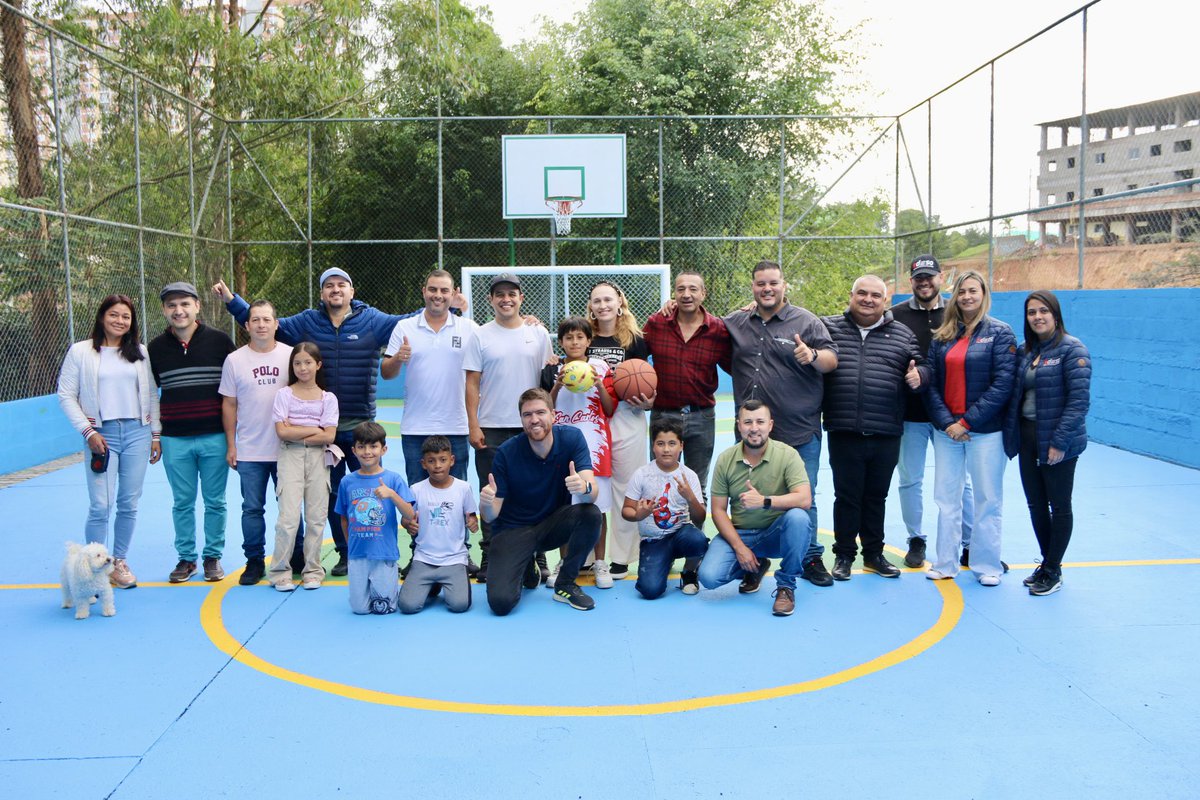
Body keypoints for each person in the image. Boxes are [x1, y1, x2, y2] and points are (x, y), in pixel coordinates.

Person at [214, 268, 429, 577]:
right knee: (332, 495)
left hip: (359, 424)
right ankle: (344, 552)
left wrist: (448, 306)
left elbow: (409, 320)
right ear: (322, 293)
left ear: (352, 291)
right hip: (322, 430)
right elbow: (264, 323)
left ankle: (376, 548)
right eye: (329, 285)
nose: (336, 289)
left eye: (342, 284)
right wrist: (233, 301)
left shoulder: (373, 321)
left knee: (370, 491)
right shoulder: (307, 322)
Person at [723, 260, 837, 588]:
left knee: (805, 496)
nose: (767, 289)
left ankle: (810, 556)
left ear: (784, 284)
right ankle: (754, 558)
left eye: (773, 283)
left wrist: (813, 357)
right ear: (753, 287)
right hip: (752, 434)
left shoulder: (807, 321)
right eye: (761, 284)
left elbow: (832, 359)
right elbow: (704, 324)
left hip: (798, 429)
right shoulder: (737, 321)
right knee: (748, 497)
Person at [821, 276, 928, 581]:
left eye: (875, 295)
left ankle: (873, 554)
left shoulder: (902, 334)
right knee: (847, 496)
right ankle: (843, 556)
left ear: (886, 301)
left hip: (886, 431)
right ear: (851, 295)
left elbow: (922, 367)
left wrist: (920, 375)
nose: (868, 299)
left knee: (875, 497)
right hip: (844, 429)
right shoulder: (828, 328)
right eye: (862, 293)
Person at [57, 294, 162, 590]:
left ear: (132, 322)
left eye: (126, 317)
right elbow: (66, 395)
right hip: (101, 435)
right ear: (102, 317)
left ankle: (118, 562)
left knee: (128, 502)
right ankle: (90, 567)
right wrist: (88, 432)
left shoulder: (139, 352)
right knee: (101, 505)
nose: (119, 321)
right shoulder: (81, 352)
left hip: (137, 434)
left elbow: (152, 394)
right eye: (114, 315)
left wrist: (155, 434)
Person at [382, 269, 479, 577]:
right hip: (415, 428)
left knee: (457, 495)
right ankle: (419, 554)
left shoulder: (468, 328)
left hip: (456, 425)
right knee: (417, 498)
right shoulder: (405, 327)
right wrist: (398, 357)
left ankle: (460, 554)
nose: (438, 295)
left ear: (453, 295)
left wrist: (534, 324)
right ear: (424, 291)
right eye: (433, 289)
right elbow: (386, 372)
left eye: (444, 291)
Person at [924, 270, 1017, 586]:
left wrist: (967, 422)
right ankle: (945, 563)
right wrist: (949, 423)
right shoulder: (942, 336)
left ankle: (987, 565)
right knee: (946, 499)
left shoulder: (1001, 334)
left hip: (986, 432)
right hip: (947, 432)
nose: (966, 297)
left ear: (984, 294)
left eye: (973, 291)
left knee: (987, 499)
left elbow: (1003, 384)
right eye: (961, 291)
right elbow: (931, 385)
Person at [478, 388, 602, 615]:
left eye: (540, 412)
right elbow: (490, 515)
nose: (534, 420)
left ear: (553, 415)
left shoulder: (572, 439)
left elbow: (592, 492)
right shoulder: (507, 453)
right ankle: (526, 565)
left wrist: (583, 488)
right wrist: (485, 503)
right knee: (501, 604)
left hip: (551, 526)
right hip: (513, 530)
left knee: (590, 513)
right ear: (521, 420)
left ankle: (565, 584)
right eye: (527, 415)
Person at [464, 273, 553, 583]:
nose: (506, 299)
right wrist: (474, 424)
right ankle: (490, 554)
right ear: (491, 299)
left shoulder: (538, 334)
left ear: (521, 298)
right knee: (493, 492)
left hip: (533, 426)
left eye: (512, 293)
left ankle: (538, 554)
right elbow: (472, 382)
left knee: (535, 493)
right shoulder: (480, 335)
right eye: (499, 294)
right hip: (492, 427)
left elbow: (547, 381)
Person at [890, 254, 974, 569]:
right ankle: (916, 539)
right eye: (918, 278)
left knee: (959, 482)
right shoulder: (894, 315)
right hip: (910, 414)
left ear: (941, 278)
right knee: (910, 478)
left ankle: (969, 543)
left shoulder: (957, 312)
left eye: (930, 277)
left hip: (949, 416)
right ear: (911, 282)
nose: (924, 283)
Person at [149, 281, 236, 583]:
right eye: (172, 305)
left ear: (197, 306)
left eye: (185, 303)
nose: (178, 310)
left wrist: (233, 437)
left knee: (215, 501)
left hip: (214, 436)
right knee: (182, 502)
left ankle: (212, 557)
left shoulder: (220, 341)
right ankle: (187, 558)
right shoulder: (155, 349)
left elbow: (234, 391)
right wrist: (156, 435)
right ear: (164, 310)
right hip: (175, 439)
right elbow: (151, 394)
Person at [1007, 291, 1091, 596]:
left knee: (1060, 505)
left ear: (1056, 315)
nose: (1038, 317)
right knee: (1036, 505)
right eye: (1032, 312)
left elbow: (1079, 402)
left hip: (1057, 441)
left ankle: (1053, 569)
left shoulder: (1072, 350)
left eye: (1044, 311)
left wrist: (1059, 442)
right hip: (1029, 437)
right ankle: (1046, 563)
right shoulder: (1028, 351)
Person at [697, 400, 814, 616]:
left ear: (770, 425)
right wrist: (739, 548)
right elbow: (718, 510)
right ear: (739, 425)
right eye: (748, 422)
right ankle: (754, 566)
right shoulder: (726, 459)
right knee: (709, 577)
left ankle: (786, 586)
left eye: (760, 421)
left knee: (799, 517)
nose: (754, 428)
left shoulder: (787, 455)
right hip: (740, 533)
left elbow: (804, 499)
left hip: (774, 534)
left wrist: (764, 501)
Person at [219, 299, 301, 586]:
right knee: (252, 508)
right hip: (251, 450)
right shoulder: (235, 360)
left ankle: (297, 555)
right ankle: (254, 561)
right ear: (247, 325)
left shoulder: (291, 356)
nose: (261, 324)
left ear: (276, 324)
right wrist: (232, 445)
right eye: (256, 320)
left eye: (267, 319)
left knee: (290, 507)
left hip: (287, 448)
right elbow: (229, 404)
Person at [540, 316, 616, 588]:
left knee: (599, 507)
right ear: (560, 342)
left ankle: (599, 562)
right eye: (568, 338)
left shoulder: (601, 368)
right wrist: (558, 383)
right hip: (563, 448)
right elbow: (544, 409)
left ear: (589, 340)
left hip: (595, 448)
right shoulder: (552, 369)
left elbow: (609, 409)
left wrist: (597, 385)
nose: (574, 342)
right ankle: (565, 563)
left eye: (579, 337)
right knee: (564, 508)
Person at [586, 280, 654, 582]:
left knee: (627, 486)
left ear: (619, 302)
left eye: (608, 300)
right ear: (590, 306)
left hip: (628, 416)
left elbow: (649, 381)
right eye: (597, 301)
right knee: (591, 487)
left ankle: (623, 557)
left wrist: (649, 399)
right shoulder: (582, 337)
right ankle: (587, 555)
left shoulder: (637, 340)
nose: (603, 305)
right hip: (591, 418)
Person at [642, 270, 731, 499]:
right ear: (674, 293)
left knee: (696, 486)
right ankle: (661, 536)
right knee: (659, 484)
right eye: (681, 289)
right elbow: (635, 359)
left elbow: (736, 366)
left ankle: (694, 535)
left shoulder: (718, 330)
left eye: (693, 289)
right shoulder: (656, 323)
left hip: (701, 416)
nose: (686, 294)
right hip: (663, 414)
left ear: (703, 293)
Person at [269, 342, 339, 591]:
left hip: (319, 458)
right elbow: (281, 432)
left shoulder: (328, 398)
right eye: (297, 363)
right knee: (288, 518)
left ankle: (312, 570)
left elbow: (329, 437)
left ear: (318, 365)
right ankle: (280, 571)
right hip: (291, 458)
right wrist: (314, 429)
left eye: (308, 362)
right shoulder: (284, 395)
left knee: (316, 517)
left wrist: (295, 430)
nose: (302, 367)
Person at [335, 421, 416, 615]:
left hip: (383, 553)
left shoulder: (393, 479)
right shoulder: (347, 482)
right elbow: (344, 518)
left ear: (384, 449)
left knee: (384, 608)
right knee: (359, 609)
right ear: (353, 450)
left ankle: (392, 579)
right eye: (361, 447)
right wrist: (350, 546)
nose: (367, 452)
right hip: (358, 555)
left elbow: (410, 514)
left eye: (373, 446)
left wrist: (392, 495)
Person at [623, 418, 709, 599]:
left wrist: (690, 498)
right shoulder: (642, 475)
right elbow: (626, 510)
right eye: (660, 444)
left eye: (672, 443)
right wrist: (640, 514)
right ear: (653, 446)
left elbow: (700, 517)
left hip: (681, 534)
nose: (666, 449)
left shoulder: (689, 476)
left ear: (681, 446)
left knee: (698, 540)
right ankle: (663, 560)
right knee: (650, 590)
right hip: (653, 540)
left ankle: (689, 572)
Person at [399, 436, 478, 614]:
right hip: (424, 559)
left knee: (459, 605)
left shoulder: (463, 488)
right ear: (423, 463)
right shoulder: (416, 489)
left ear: (452, 460)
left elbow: (472, 516)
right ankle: (432, 585)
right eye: (431, 461)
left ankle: (441, 582)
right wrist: (407, 524)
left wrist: (473, 522)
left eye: (443, 460)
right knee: (407, 606)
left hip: (454, 559)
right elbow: (406, 518)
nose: (437, 466)